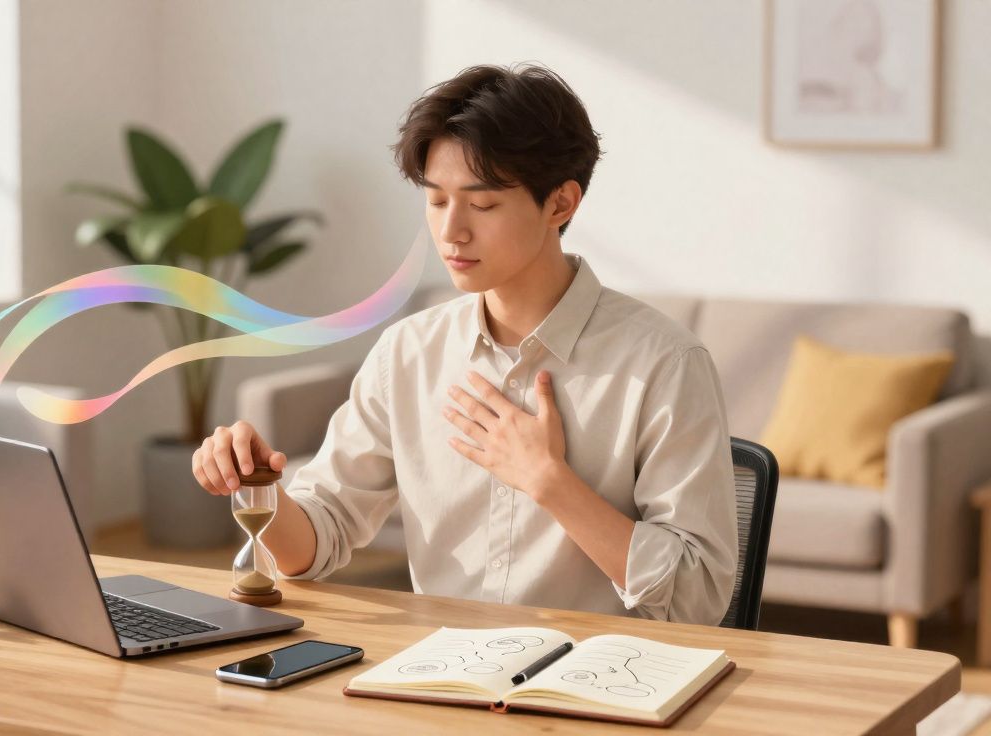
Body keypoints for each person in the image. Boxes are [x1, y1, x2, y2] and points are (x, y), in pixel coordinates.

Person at [190, 63, 737, 624]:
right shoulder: (408, 353)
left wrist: (549, 481)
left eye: (482, 205)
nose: (452, 231)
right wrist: (257, 486)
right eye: (435, 201)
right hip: (439, 675)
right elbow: (316, 543)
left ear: (561, 204)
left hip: (596, 681)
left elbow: (698, 600)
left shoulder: (665, 363)